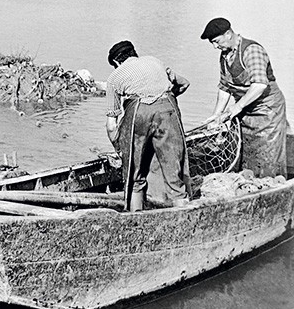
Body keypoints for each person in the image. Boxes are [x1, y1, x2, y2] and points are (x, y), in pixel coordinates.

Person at [105, 40, 191, 211]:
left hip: (138, 114)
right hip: (167, 110)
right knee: (175, 172)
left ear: (116, 62)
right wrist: (167, 100)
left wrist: (119, 147)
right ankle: (183, 211)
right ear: (134, 53)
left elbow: (111, 124)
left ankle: (135, 216)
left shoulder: (114, 78)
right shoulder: (155, 61)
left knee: (134, 175)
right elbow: (184, 83)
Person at [200, 17, 287, 177]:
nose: (215, 46)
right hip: (246, 112)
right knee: (246, 153)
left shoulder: (251, 50)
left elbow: (260, 85)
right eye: (212, 43)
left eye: (216, 41)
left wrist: (236, 108)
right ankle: (250, 183)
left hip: (267, 112)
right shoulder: (225, 55)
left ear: (228, 34)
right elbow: (225, 87)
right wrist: (217, 115)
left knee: (268, 157)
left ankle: (271, 185)